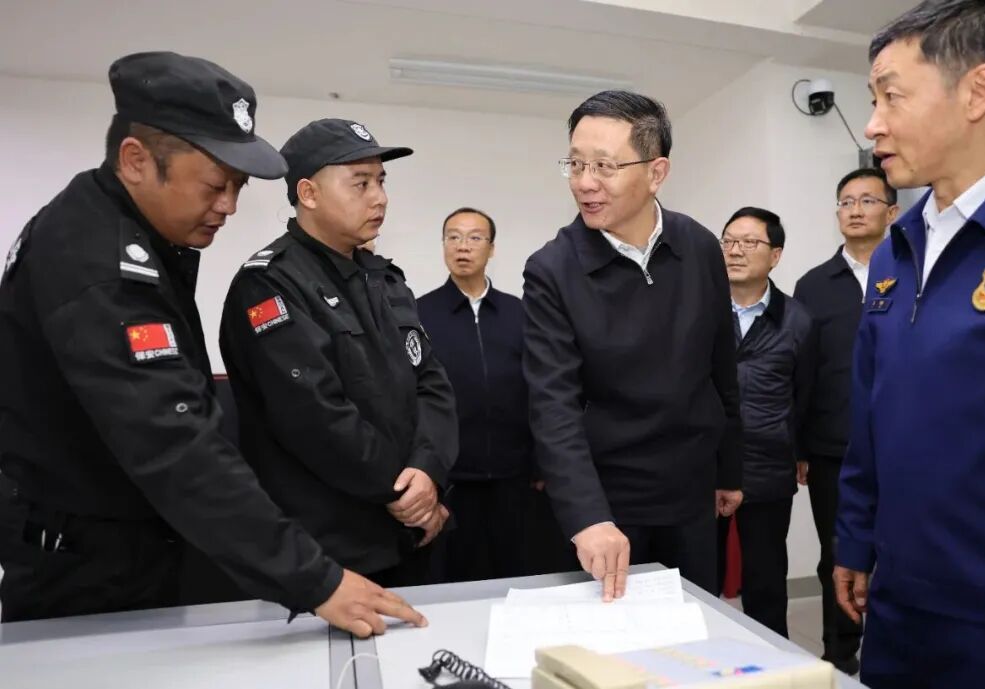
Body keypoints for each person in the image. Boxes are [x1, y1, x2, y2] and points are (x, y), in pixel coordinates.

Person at [0, 53, 424, 637]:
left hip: (140, 536)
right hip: (85, 562)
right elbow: (173, 440)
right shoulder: (99, 263)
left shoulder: (134, 232)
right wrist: (317, 580)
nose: (229, 206)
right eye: (214, 186)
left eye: (238, 187)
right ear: (136, 161)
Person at [835, 2, 985, 687]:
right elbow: (873, 411)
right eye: (872, 100)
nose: (873, 124)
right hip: (900, 608)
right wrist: (855, 536)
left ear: (978, 91)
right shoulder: (898, 245)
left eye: (892, 96)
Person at [522, 90, 744, 600]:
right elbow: (552, 404)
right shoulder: (552, 269)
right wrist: (588, 516)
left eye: (604, 166)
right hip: (608, 499)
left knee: (694, 626)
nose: (585, 182)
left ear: (656, 172)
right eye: (575, 164)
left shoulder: (700, 246)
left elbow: (721, 368)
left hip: (691, 489)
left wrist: (729, 469)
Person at [219, 118, 457, 589]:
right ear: (308, 193)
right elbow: (314, 416)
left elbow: (432, 384)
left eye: (382, 181)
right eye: (361, 183)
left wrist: (428, 473)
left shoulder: (384, 279)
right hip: (328, 553)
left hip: (408, 534)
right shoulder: (269, 284)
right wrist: (405, 494)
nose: (380, 197)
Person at [792, 167, 897, 673]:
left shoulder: (915, 271)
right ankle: (839, 652)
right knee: (836, 553)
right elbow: (801, 370)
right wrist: (800, 447)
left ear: (891, 211)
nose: (855, 210)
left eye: (867, 200)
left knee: (901, 550)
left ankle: (896, 649)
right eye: (846, 202)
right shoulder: (813, 285)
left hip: (902, 442)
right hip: (833, 444)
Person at [417, 207, 532, 582]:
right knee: (454, 577)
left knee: (516, 575)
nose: (462, 246)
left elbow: (541, 389)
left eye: (474, 238)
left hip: (515, 475)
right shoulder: (419, 313)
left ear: (492, 248)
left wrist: (542, 461)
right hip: (449, 477)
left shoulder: (519, 312)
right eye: (453, 237)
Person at [716, 207, 815, 639]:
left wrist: (797, 451)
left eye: (749, 242)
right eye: (728, 240)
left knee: (766, 583)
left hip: (768, 465)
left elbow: (804, 395)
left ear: (775, 255)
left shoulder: (798, 320)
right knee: (698, 579)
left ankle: (773, 665)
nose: (735, 250)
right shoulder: (699, 308)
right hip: (704, 466)